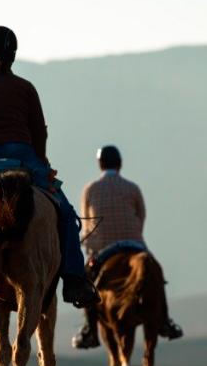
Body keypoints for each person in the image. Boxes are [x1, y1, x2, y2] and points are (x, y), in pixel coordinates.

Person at [0, 26, 99, 317]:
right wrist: (41, 164)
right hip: (24, 160)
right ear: (13, 54)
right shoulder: (26, 88)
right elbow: (39, 134)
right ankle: (75, 281)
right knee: (65, 215)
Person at [71, 145, 183, 348]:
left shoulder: (90, 189)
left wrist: (90, 244)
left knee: (86, 279)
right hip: (134, 243)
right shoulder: (132, 188)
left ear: (100, 164)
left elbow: (87, 224)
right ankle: (165, 321)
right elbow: (141, 216)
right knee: (156, 273)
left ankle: (89, 330)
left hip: (104, 249)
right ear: (120, 164)